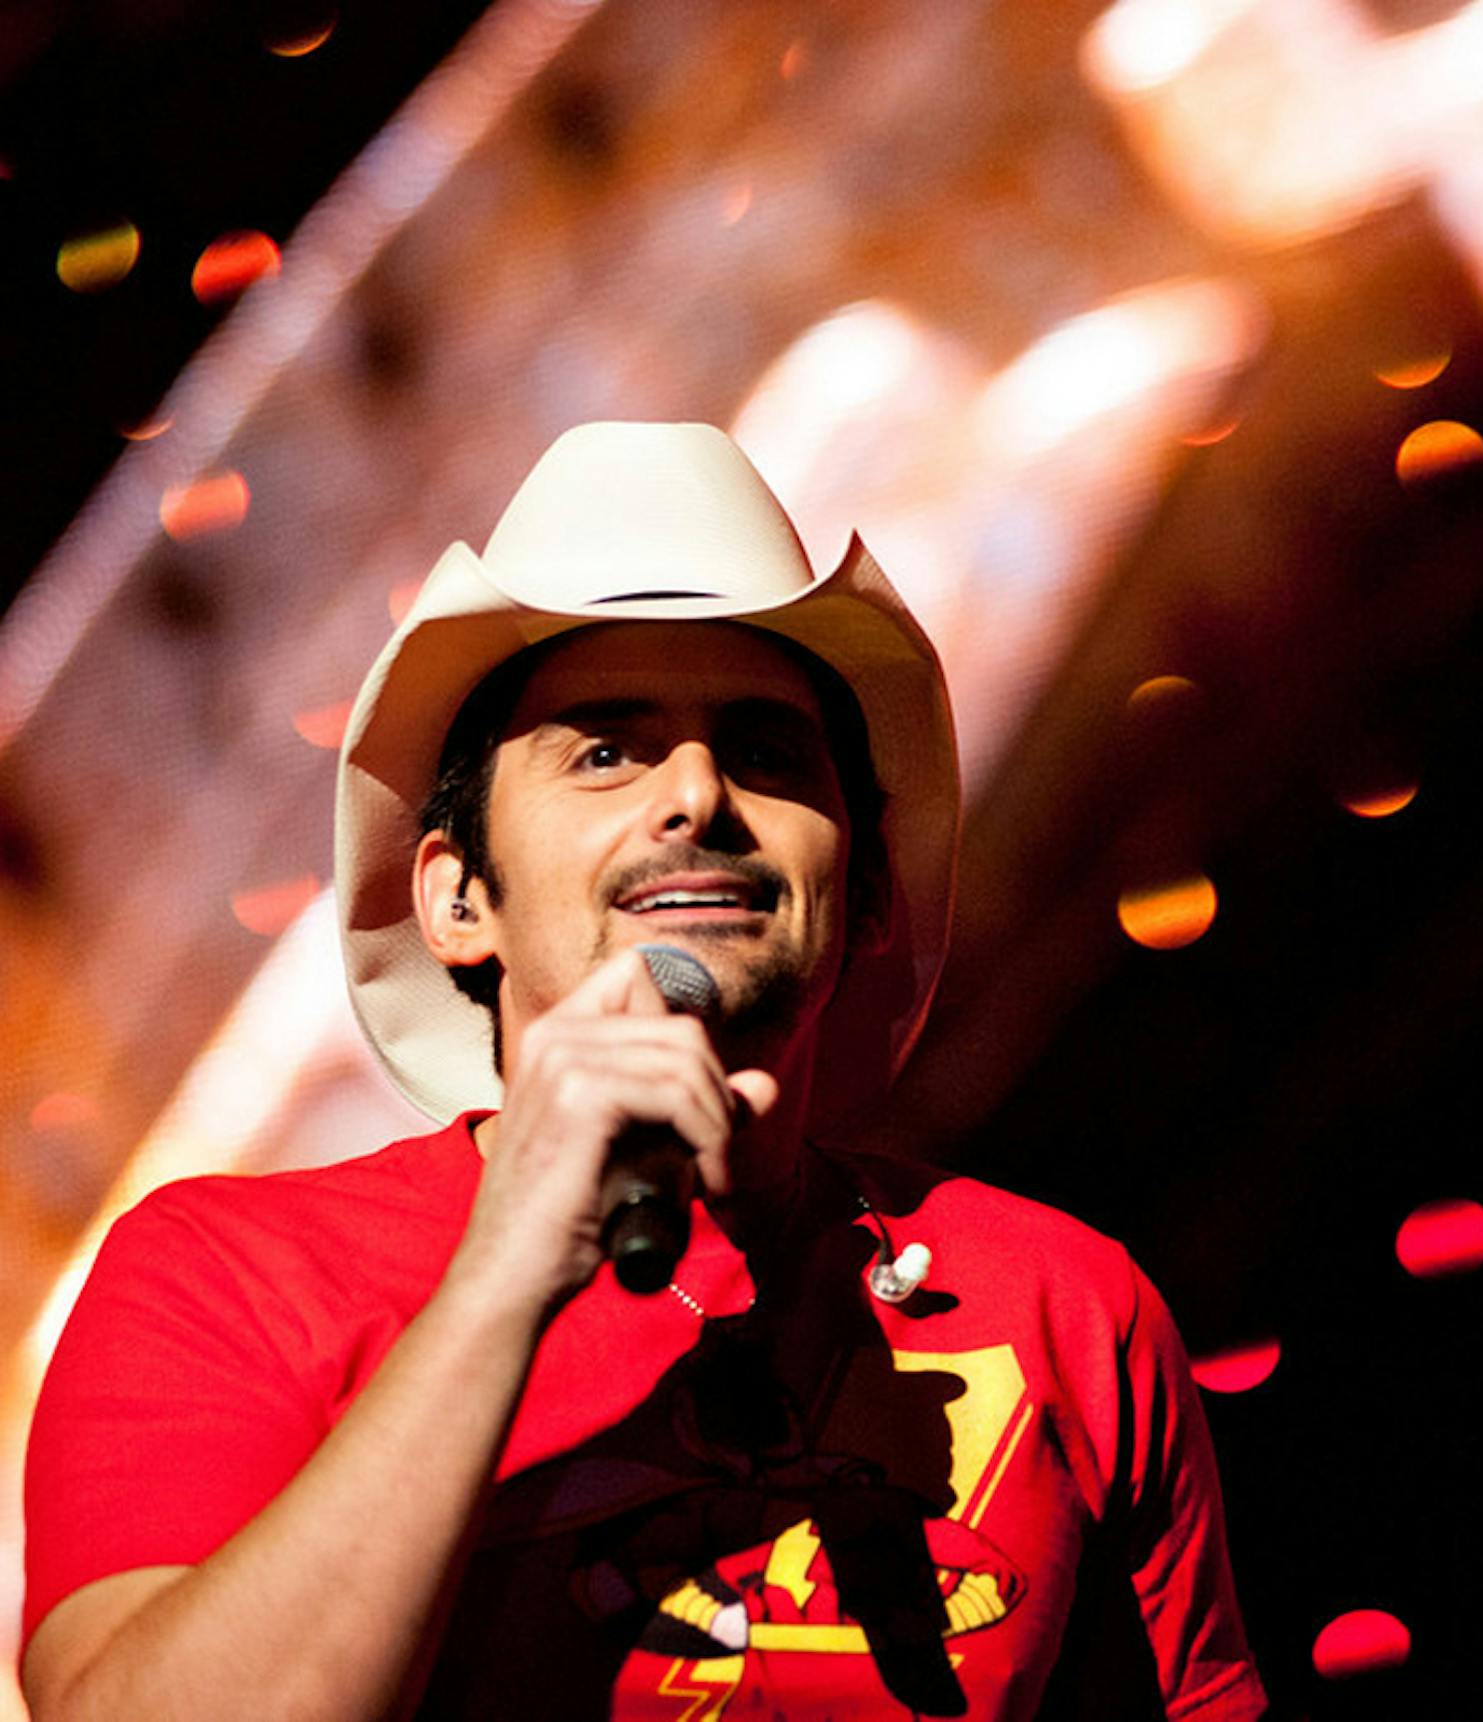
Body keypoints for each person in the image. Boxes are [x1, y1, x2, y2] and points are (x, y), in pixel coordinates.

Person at [20, 424, 1265, 1720]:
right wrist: (506, 1274)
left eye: (768, 752)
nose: (696, 794)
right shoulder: (227, 1278)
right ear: (455, 897)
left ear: (872, 887)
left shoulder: (1065, 1302)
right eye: (606, 750)